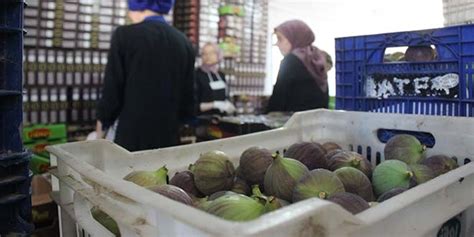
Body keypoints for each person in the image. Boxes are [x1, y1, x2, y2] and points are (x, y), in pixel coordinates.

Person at [96, 0, 196, 151]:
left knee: (129, 174)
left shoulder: (124, 35)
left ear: (136, 6)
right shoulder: (184, 42)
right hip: (168, 137)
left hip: (132, 137)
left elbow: (112, 89)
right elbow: (188, 98)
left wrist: (101, 127)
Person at [266, 20, 329, 113]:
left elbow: (278, 99)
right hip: (317, 122)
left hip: (294, 122)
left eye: (280, 39)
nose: (277, 44)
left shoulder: (291, 60)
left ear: (293, 37)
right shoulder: (317, 57)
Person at [195, 43, 235, 115]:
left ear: (218, 55)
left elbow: (223, 96)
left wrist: (227, 104)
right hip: (203, 120)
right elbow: (193, 105)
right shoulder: (196, 75)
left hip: (220, 120)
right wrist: (214, 105)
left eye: (211, 53)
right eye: (204, 54)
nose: (208, 56)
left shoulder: (221, 75)